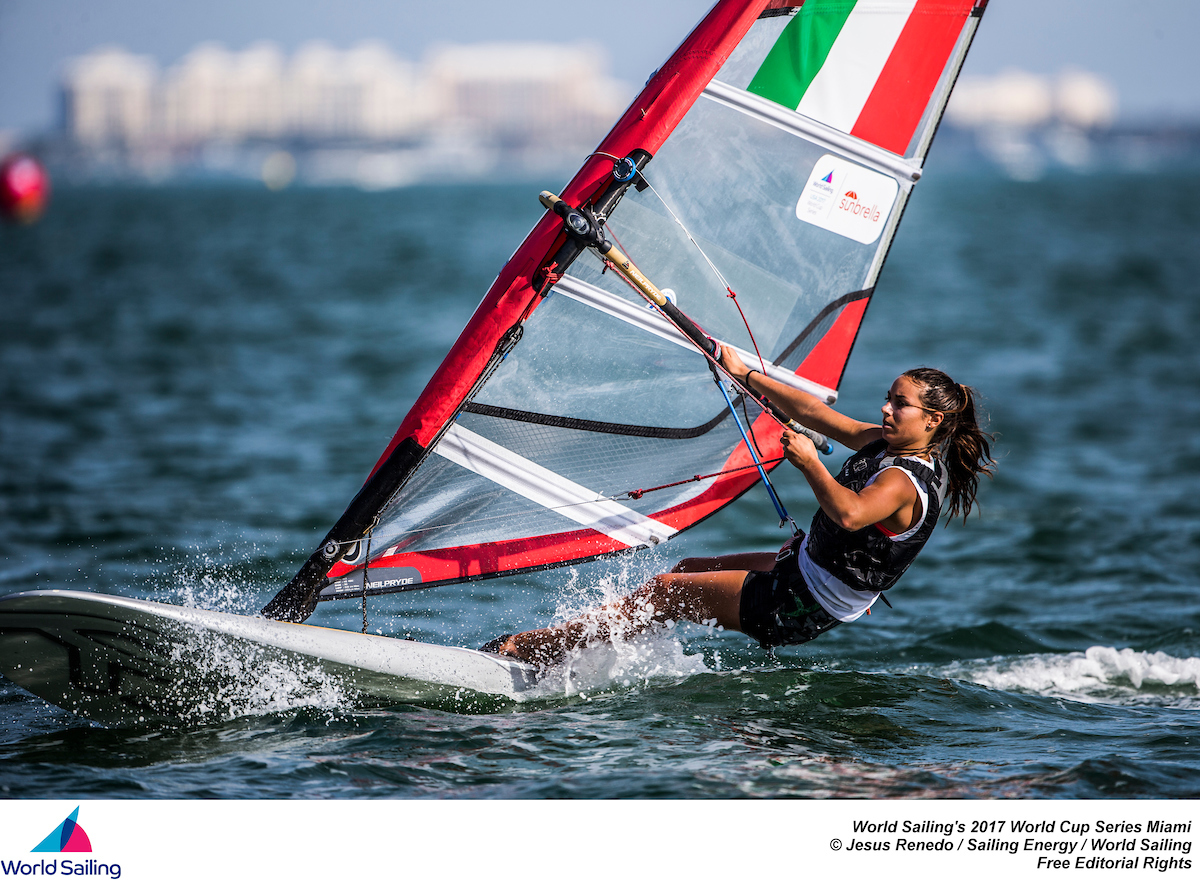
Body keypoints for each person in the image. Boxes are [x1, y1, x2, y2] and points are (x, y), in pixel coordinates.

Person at [482, 345, 995, 666]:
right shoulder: (882, 443)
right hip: (803, 570)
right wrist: (745, 375)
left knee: (664, 592)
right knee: (681, 574)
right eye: (889, 397)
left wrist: (809, 464)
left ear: (931, 421)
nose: (886, 407)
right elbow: (814, 412)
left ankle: (540, 650)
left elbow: (851, 514)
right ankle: (588, 652)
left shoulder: (906, 480)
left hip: (803, 603)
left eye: (899, 403)